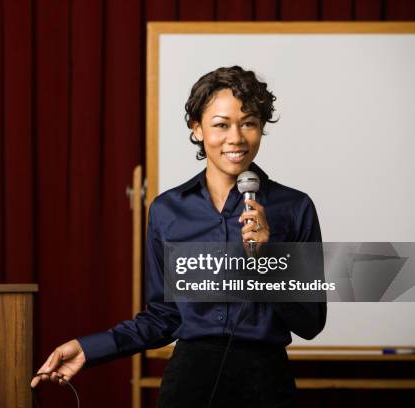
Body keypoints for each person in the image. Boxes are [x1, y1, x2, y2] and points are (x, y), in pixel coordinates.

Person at [30, 66, 327, 407]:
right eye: (220, 124)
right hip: (189, 383)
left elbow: (311, 321)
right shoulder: (167, 211)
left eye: (249, 123)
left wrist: (268, 257)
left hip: (266, 383)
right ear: (197, 129)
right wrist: (89, 348)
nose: (236, 138)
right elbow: (163, 317)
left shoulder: (295, 207)